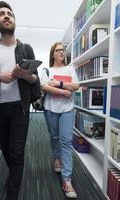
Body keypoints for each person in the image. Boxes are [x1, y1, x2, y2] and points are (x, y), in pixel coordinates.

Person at [0, 1, 39, 199]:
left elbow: (35, 79)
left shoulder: (26, 48)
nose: (6, 16)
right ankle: (13, 178)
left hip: (20, 108)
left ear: (14, 20)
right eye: (2, 14)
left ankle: (12, 193)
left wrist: (24, 75)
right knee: (6, 150)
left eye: (10, 14)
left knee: (16, 153)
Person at [40, 42, 80, 198]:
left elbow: (76, 86)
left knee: (66, 142)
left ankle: (67, 180)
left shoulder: (70, 69)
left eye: (63, 50)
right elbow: (44, 87)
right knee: (54, 137)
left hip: (67, 110)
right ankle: (56, 158)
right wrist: (64, 91)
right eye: (58, 50)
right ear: (52, 54)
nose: (61, 52)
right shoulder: (47, 70)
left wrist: (59, 83)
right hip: (50, 108)